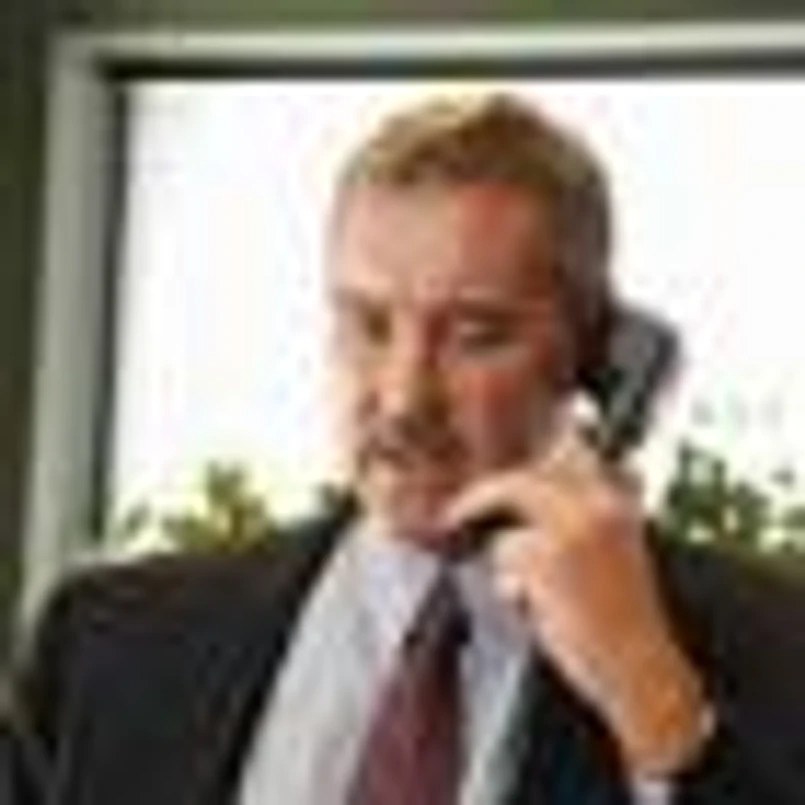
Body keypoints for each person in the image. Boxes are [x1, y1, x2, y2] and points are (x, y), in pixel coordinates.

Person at [4, 93, 805, 805]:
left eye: (474, 333)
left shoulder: (763, 648)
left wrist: (656, 706)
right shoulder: (107, 641)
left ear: (592, 355)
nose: (402, 397)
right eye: (368, 324)